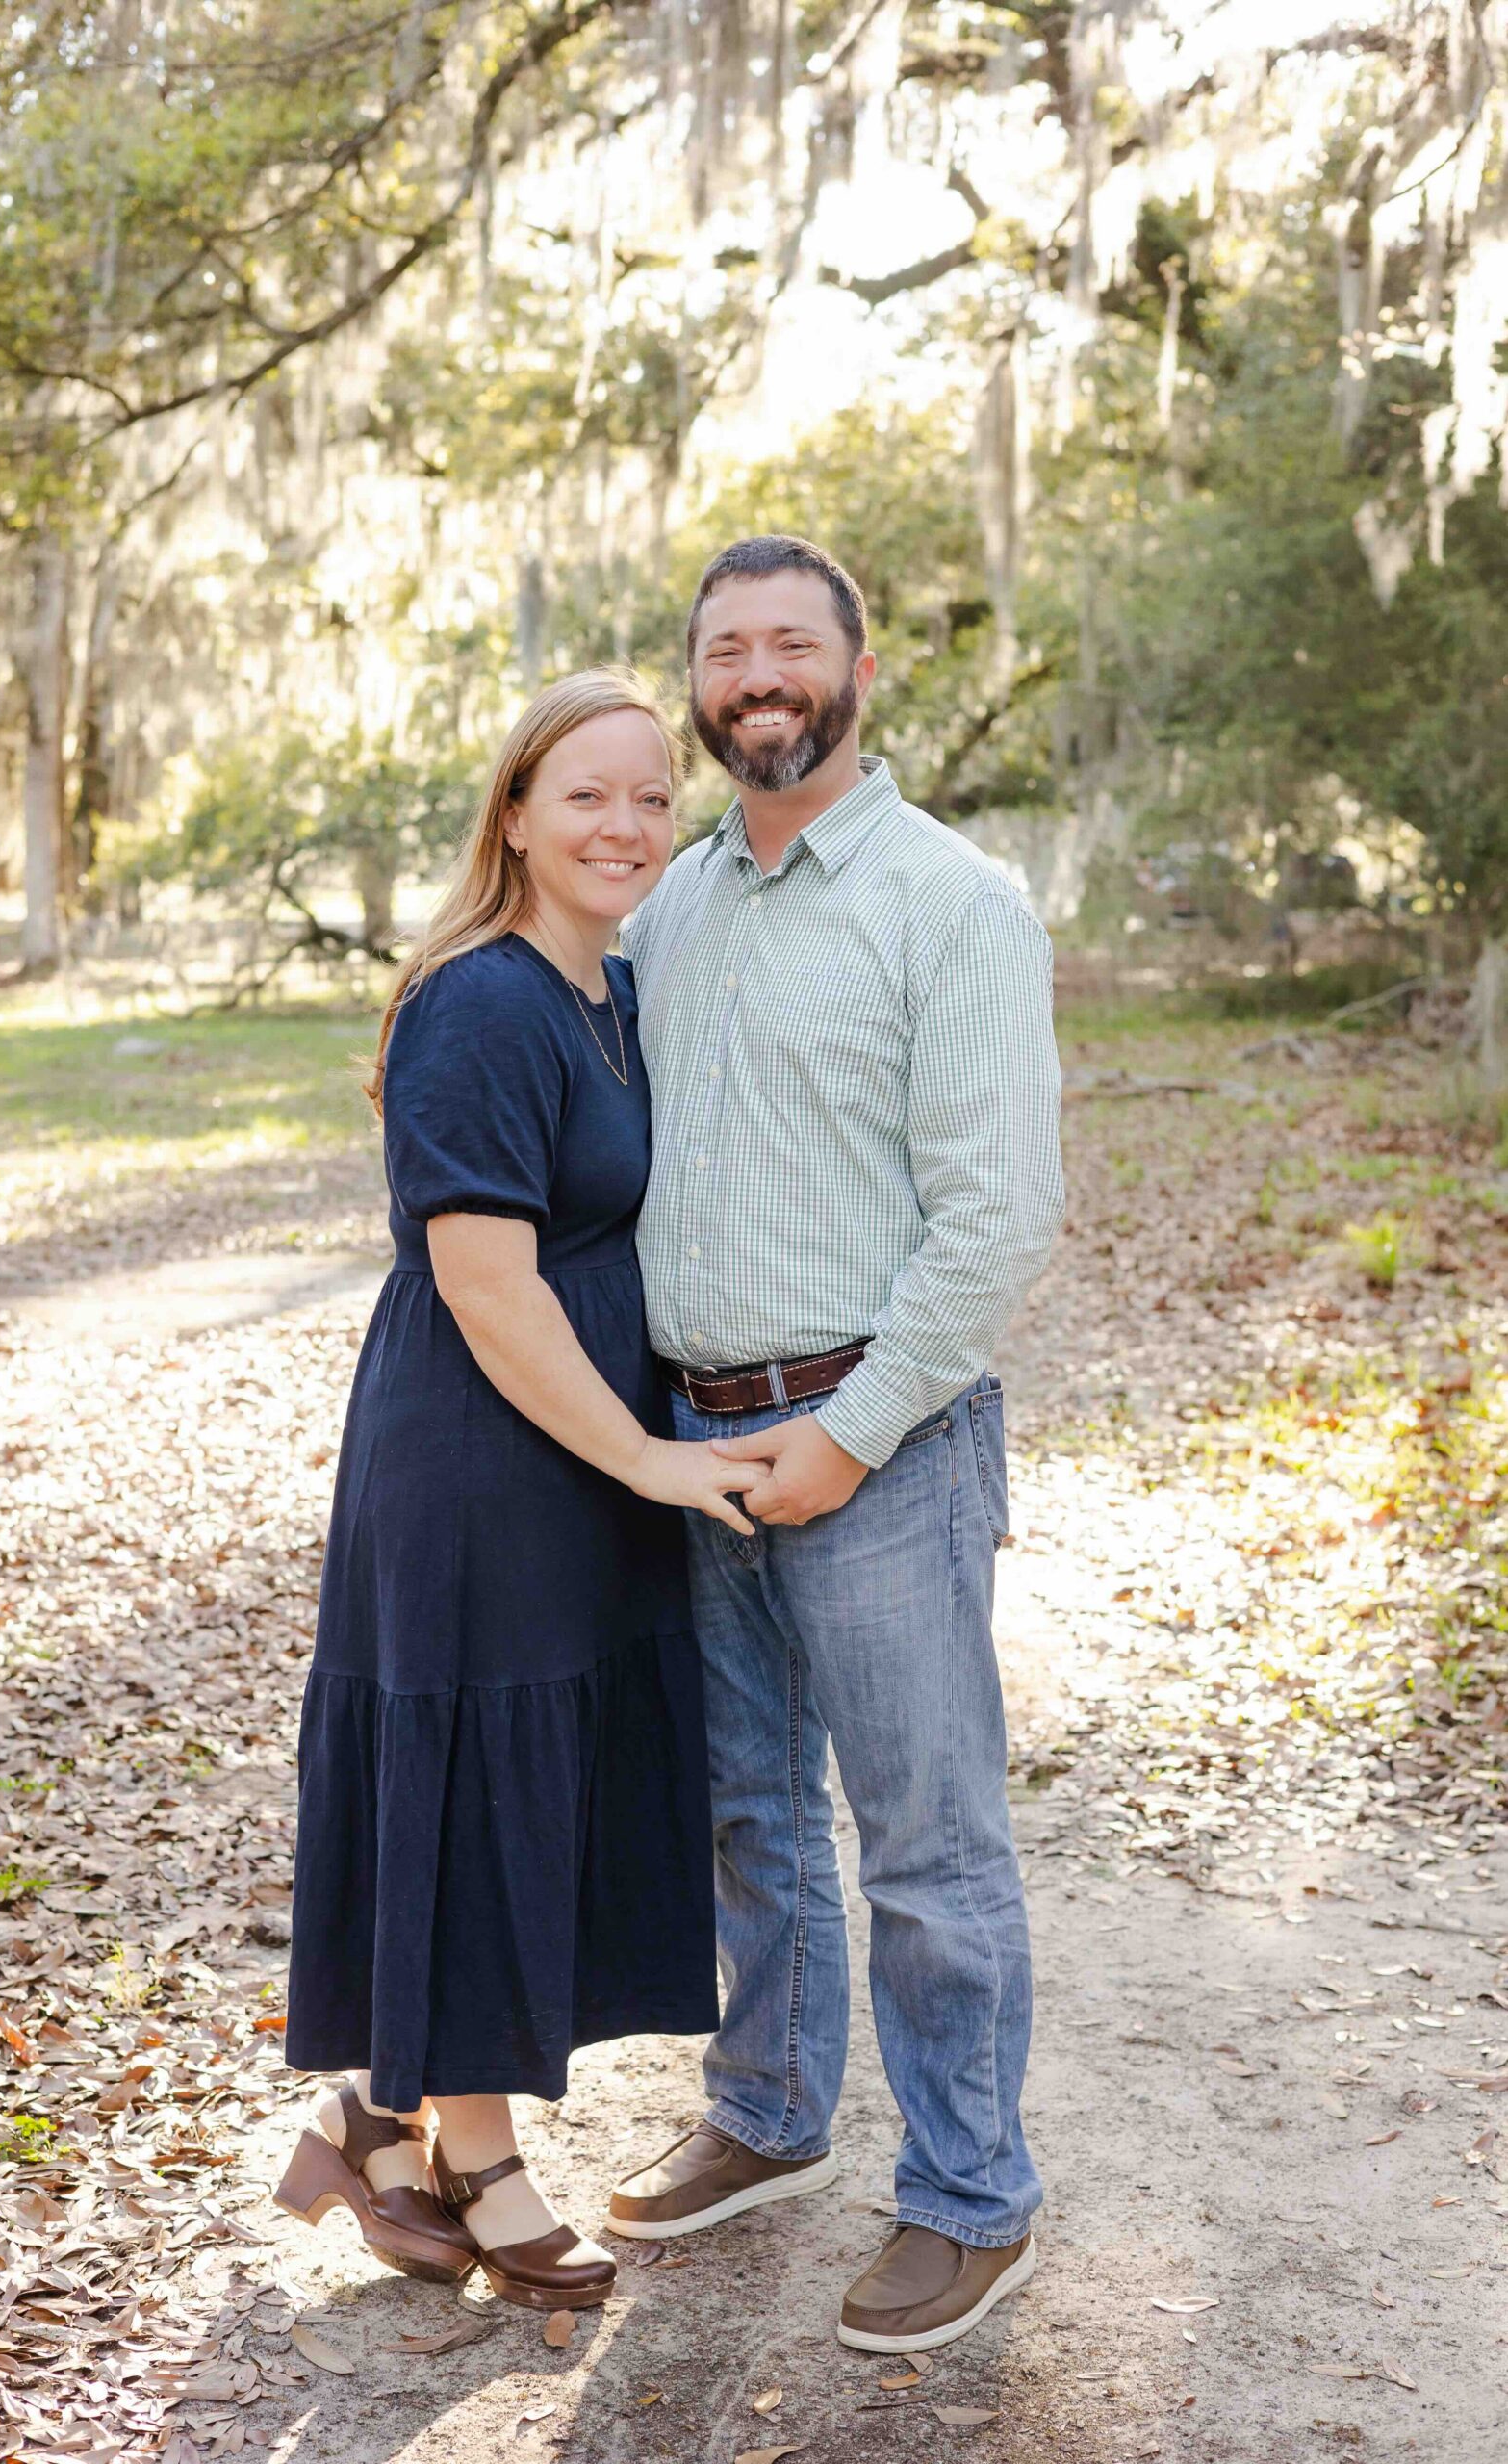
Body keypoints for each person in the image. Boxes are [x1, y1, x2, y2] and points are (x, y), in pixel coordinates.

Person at [607, 536, 1065, 2355]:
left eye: (792, 642)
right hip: (693, 1447)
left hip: (882, 1439)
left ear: (857, 669)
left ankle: (969, 2198)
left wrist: (851, 1436)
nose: (759, 674)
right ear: (702, 689)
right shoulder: (676, 903)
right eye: (728, 651)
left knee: (926, 1841)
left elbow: (1000, 1215)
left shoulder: (951, 903)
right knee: (748, 1816)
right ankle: (772, 2112)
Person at [276, 670, 757, 2312]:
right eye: (586, 796)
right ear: (513, 813)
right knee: (482, 1762)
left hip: (571, 1449)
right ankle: (472, 2154)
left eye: (649, 797)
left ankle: (384, 2122)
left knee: (518, 1761)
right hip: (488, 1452)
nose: (624, 825)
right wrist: (649, 1457)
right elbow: (485, 1282)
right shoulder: (481, 1000)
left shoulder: (600, 987)